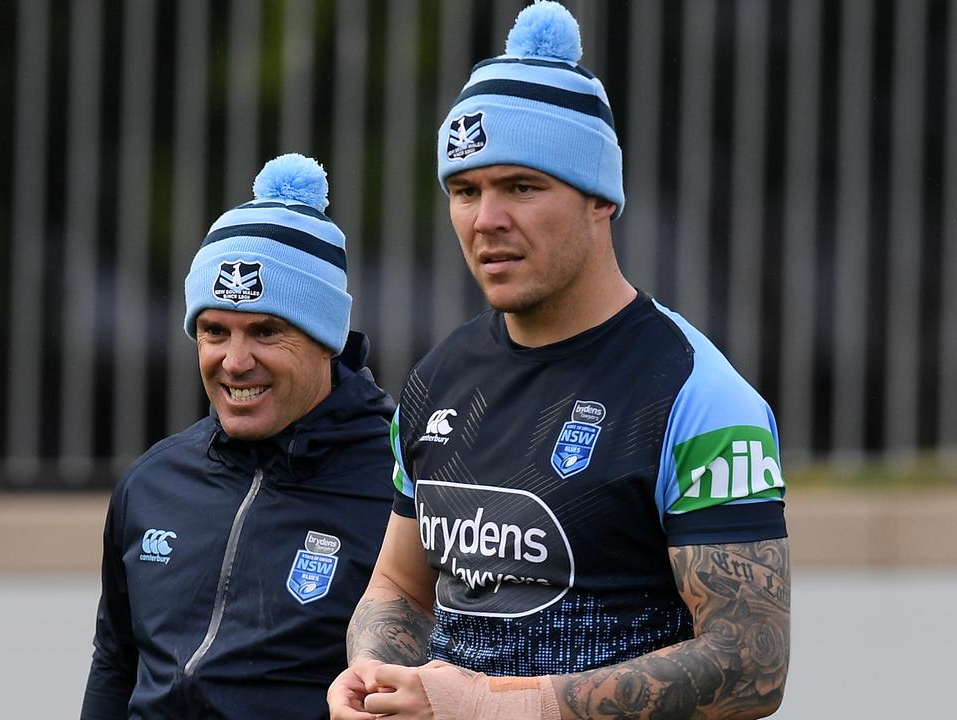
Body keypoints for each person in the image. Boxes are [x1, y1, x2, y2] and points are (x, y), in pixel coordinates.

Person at [328, 3, 789, 719]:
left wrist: (495, 707)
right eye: (466, 190)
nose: (487, 221)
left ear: (600, 198)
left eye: (521, 186)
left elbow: (752, 666)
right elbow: (400, 586)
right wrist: (374, 673)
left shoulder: (698, 394)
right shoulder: (439, 378)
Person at [81, 154, 397, 719]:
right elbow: (115, 662)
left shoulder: (402, 484)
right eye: (213, 331)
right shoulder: (153, 481)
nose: (234, 360)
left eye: (266, 331)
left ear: (325, 337)